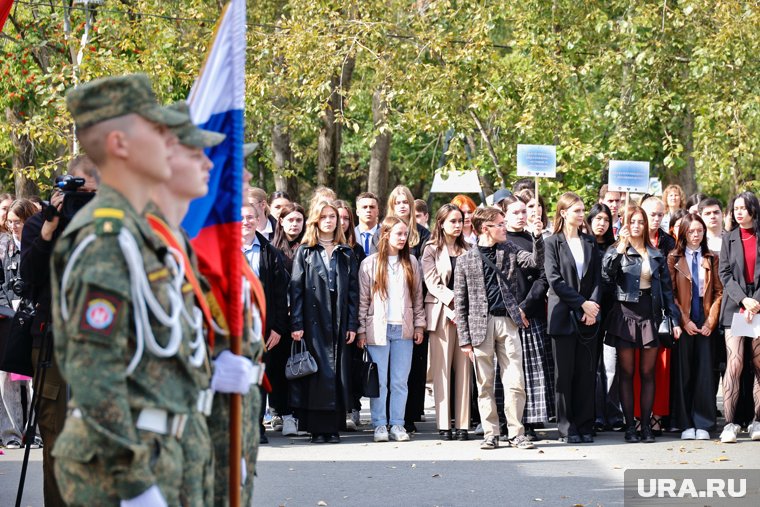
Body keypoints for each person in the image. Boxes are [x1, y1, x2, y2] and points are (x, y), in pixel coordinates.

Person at [49, 74, 207, 506]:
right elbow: (93, 372)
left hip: (153, 448)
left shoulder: (139, 235)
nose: (169, 142)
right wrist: (135, 483)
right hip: (115, 466)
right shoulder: (107, 238)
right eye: (156, 130)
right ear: (120, 144)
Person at [147, 105, 258, 506]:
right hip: (164, 431)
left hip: (211, 418)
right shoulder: (142, 240)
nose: (243, 176)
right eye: (201, 157)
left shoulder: (187, 241)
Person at [19, 155, 99, 507]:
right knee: (56, 435)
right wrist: (51, 229)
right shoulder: (40, 224)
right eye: (80, 190)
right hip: (54, 341)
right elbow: (30, 276)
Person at [454, 206, 540, 450]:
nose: (505, 228)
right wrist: (465, 340)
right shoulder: (465, 260)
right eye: (500, 224)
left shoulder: (510, 249)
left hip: (508, 322)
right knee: (485, 384)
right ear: (485, 229)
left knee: (515, 381)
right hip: (480, 325)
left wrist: (537, 237)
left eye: (504, 223)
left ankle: (516, 433)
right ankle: (490, 433)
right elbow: (461, 302)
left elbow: (535, 262)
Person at [603, 205, 682, 444]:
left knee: (648, 373)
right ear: (625, 224)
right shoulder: (616, 250)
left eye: (640, 222)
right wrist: (620, 247)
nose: (636, 226)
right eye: (632, 221)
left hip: (650, 315)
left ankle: (646, 425)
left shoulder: (656, 253)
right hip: (624, 314)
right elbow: (607, 276)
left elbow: (667, 291)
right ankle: (630, 427)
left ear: (646, 225)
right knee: (626, 374)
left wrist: (674, 319)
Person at [289, 200, 358, 444]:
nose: (329, 220)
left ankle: (333, 428)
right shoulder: (305, 251)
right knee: (317, 375)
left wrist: (352, 325)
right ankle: (317, 429)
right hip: (313, 320)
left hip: (338, 319)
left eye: (333, 217)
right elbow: (296, 289)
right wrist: (296, 323)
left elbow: (353, 291)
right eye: (325, 216)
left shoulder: (346, 251)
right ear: (316, 220)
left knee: (336, 373)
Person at [358, 216, 425, 443]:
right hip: (377, 328)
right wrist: (361, 330)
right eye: (399, 233)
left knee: (399, 381)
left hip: (403, 329)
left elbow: (418, 298)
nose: (403, 238)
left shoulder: (412, 263)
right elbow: (363, 300)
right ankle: (379, 424)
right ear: (385, 235)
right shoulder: (369, 263)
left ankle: (397, 423)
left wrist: (419, 325)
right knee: (380, 382)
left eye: (405, 234)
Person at [544, 192, 602, 444]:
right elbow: (554, 280)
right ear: (563, 213)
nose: (581, 215)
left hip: (588, 318)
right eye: (576, 210)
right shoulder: (551, 243)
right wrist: (582, 305)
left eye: (582, 210)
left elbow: (598, 279)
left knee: (586, 373)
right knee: (564, 375)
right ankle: (567, 427)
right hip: (563, 316)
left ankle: (585, 424)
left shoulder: (590, 242)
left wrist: (592, 308)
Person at [501, 195, 554, 439]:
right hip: (505, 314)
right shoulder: (500, 241)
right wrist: (513, 308)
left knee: (532, 372)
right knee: (508, 371)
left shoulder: (533, 240)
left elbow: (543, 275)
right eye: (516, 212)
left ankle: (529, 422)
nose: (522, 216)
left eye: (525, 211)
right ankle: (506, 421)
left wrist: (525, 306)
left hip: (529, 313)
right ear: (504, 215)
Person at [668, 213, 723, 440]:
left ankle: (704, 423)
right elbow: (670, 293)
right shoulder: (674, 257)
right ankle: (685, 423)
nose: (695, 235)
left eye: (699, 231)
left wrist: (711, 320)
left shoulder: (711, 258)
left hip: (705, 320)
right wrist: (684, 320)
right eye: (691, 231)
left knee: (704, 373)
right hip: (685, 321)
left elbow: (719, 291)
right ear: (683, 233)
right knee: (684, 373)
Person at [421, 204, 471, 440]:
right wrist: (454, 304)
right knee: (441, 370)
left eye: (460, 220)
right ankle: (443, 424)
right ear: (441, 223)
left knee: (464, 370)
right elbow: (432, 283)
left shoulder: (469, 249)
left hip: (466, 315)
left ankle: (462, 424)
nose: (458, 225)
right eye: (453, 221)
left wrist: (463, 308)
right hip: (442, 313)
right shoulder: (431, 249)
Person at [384, 186, 430, 432]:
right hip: (388, 307)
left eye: (406, 202)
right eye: (397, 202)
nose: (402, 205)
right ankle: (387, 416)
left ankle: (409, 416)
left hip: (414, 304)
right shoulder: (383, 233)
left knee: (412, 366)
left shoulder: (422, 235)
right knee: (388, 368)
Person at [242, 201, 289, 445]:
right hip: (232, 328)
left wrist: (278, 327)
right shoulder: (224, 250)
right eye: (242, 217)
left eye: (251, 217)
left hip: (262, 328)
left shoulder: (269, 252)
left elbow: (281, 294)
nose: (246, 222)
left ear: (259, 218)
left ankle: (256, 426)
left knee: (259, 378)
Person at [717, 191, 760, 443]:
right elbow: (724, 273)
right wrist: (743, 299)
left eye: (743, 208)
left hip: (758, 306)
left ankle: (757, 421)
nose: (738, 212)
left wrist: (755, 302)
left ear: (754, 209)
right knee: (734, 365)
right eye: (735, 208)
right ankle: (730, 424)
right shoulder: (728, 238)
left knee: (758, 366)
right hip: (736, 306)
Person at [0, 199, 38, 451]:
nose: (13, 227)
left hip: (35, 315)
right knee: (7, 379)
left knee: (35, 378)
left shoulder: (39, 244)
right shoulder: (2, 247)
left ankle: (35, 432)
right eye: (10, 222)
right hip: (7, 317)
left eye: (18, 222)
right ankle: (10, 434)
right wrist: (5, 306)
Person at [585, 203, 624, 433]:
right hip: (590, 309)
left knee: (614, 364)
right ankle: (596, 414)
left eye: (606, 219)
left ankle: (614, 412)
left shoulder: (616, 245)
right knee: (595, 365)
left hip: (613, 309)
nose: (602, 223)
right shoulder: (583, 244)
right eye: (597, 218)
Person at [640, 196, 677, 435]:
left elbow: (669, 284)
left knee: (661, 370)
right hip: (635, 313)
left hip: (660, 312)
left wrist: (673, 316)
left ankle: (656, 416)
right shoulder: (630, 238)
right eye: (652, 214)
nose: (656, 219)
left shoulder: (668, 242)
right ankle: (637, 416)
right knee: (637, 370)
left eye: (660, 215)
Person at [334, 199, 365, 430]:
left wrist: (355, 322)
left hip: (349, 316)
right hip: (327, 317)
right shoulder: (320, 246)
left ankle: (351, 408)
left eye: (346, 218)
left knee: (350, 366)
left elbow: (359, 289)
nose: (342, 222)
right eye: (338, 217)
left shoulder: (356, 249)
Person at [271, 202, 306, 274]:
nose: (295, 224)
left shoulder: (310, 248)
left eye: (299, 220)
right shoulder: (271, 249)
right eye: (290, 220)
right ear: (281, 221)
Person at [354, 192, 380, 257]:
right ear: (357, 212)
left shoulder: (386, 235)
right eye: (364, 207)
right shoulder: (350, 236)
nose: (368, 210)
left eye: (372, 207)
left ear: (377, 212)